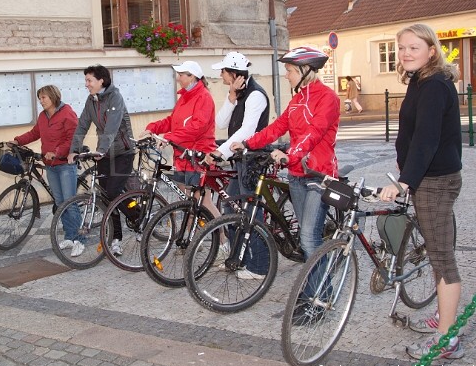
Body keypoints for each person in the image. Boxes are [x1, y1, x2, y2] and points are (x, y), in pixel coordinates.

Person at [378, 23, 463, 360]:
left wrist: (405, 181)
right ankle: (446, 318)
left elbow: (427, 139)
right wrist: (406, 173)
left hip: (435, 181)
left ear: (431, 50)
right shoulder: (420, 81)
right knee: (435, 248)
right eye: (401, 48)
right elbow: (412, 137)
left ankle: (447, 338)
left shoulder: (435, 86)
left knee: (442, 258)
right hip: (426, 177)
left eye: (414, 47)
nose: (406, 53)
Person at [230, 47, 340, 291]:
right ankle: (317, 282)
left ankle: (320, 297)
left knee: (310, 239)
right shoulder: (298, 99)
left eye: (290, 71)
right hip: (297, 175)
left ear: (305, 70)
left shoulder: (327, 98)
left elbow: (313, 134)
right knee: (306, 236)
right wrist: (248, 143)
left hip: (318, 176)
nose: (287, 75)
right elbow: (276, 128)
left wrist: (290, 155)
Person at [205, 52, 270, 279]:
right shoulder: (239, 94)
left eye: (222, 71)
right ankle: (236, 258)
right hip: (239, 159)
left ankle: (260, 267)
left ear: (233, 73)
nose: (220, 75)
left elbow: (247, 131)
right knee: (231, 208)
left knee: (252, 212)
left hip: (253, 160)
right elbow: (222, 122)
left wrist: (219, 152)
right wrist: (230, 96)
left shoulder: (255, 95)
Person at [69, 65, 135, 257]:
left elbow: (112, 127)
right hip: (105, 153)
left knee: (114, 191)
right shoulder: (92, 100)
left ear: (101, 81)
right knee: (107, 197)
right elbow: (82, 125)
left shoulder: (116, 97)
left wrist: (102, 149)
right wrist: (74, 149)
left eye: (89, 80)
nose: (86, 84)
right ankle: (116, 238)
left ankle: (138, 217)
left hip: (123, 151)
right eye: (86, 80)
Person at [141, 61, 218, 215]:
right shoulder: (184, 97)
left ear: (192, 77)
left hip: (198, 158)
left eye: (181, 75)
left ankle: (223, 238)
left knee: (203, 202)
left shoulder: (204, 97)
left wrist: (169, 138)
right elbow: (172, 121)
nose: (178, 78)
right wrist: (152, 128)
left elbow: (197, 127)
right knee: (188, 204)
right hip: (182, 157)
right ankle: (190, 237)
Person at [13, 85, 81, 256]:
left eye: (43, 98)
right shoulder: (43, 116)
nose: (41, 101)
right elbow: (34, 133)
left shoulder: (67, 113)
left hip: (65, 164)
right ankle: (69, 236)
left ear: (53, 97)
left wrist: (57, 152)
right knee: (60, 202)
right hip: (51, 166)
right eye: (40, 98)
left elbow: (73, 138)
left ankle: (80, 239)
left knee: (70, 202)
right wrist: (17, 141)